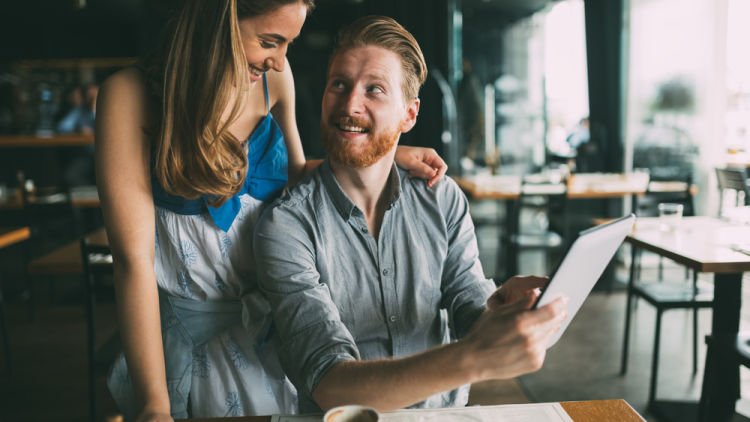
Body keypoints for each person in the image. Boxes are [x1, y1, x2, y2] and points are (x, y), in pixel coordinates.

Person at [95, 1, 446, 420]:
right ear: (216, 24)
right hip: (189, 342)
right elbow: (133, 262)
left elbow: (297, 176)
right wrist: (154, 405)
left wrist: (383, 152)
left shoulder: (272, 79)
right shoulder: (127, 96)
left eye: (288, 44)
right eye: (269, 41)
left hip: (274, 330)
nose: (280, 59)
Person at [254, 15, 568, 413]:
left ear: (409, 114)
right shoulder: (286, 225)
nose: (350, 104)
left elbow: (469, 304)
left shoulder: (442, 198)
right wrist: (475, 357)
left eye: (375, 90)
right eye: (339, 84)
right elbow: (329, 381)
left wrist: (503, 310)